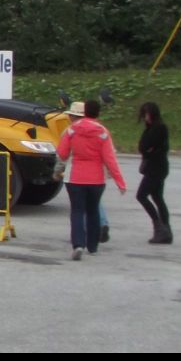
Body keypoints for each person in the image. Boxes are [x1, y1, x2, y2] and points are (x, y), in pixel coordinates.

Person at [57, 98, 126, 260]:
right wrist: (119, 181)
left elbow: (62, 153)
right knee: (93, 210)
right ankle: (93, 245)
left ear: (84, 111)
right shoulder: (102, 132)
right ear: (98, 113)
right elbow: (110, 159)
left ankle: (78, 244)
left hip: (75, 177)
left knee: (77, 211)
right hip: (96, 178)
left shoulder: (71, 130)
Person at [54, 102, 111, 242]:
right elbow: (108, 153)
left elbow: (62, 155)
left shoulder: (69, 131)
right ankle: (101, 225)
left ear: (73, 116)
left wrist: (57, 172)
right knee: (94, 203)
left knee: (79, 208)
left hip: (76, 173)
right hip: (97, 173)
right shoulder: (100, 130)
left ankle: (82, 236)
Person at [136, 101, 173, 244]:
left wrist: (147, 150)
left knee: (141, 195)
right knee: (157, 197)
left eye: (145, 114)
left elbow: (146, 146)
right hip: (158, 167)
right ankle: (166, 230)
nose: (144, 117)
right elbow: (144, 147)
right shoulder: (153, 128)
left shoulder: (158, 128)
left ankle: (159, 227)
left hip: (156, 168)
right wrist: (146, 149)